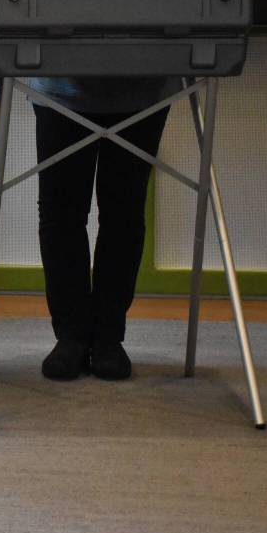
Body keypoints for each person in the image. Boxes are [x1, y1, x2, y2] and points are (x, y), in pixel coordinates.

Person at [29, 77, 179, 381]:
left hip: (144, 87)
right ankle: (72, 335)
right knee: (62, 212)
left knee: (123, 213)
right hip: (61, 84)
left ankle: (107, 336)